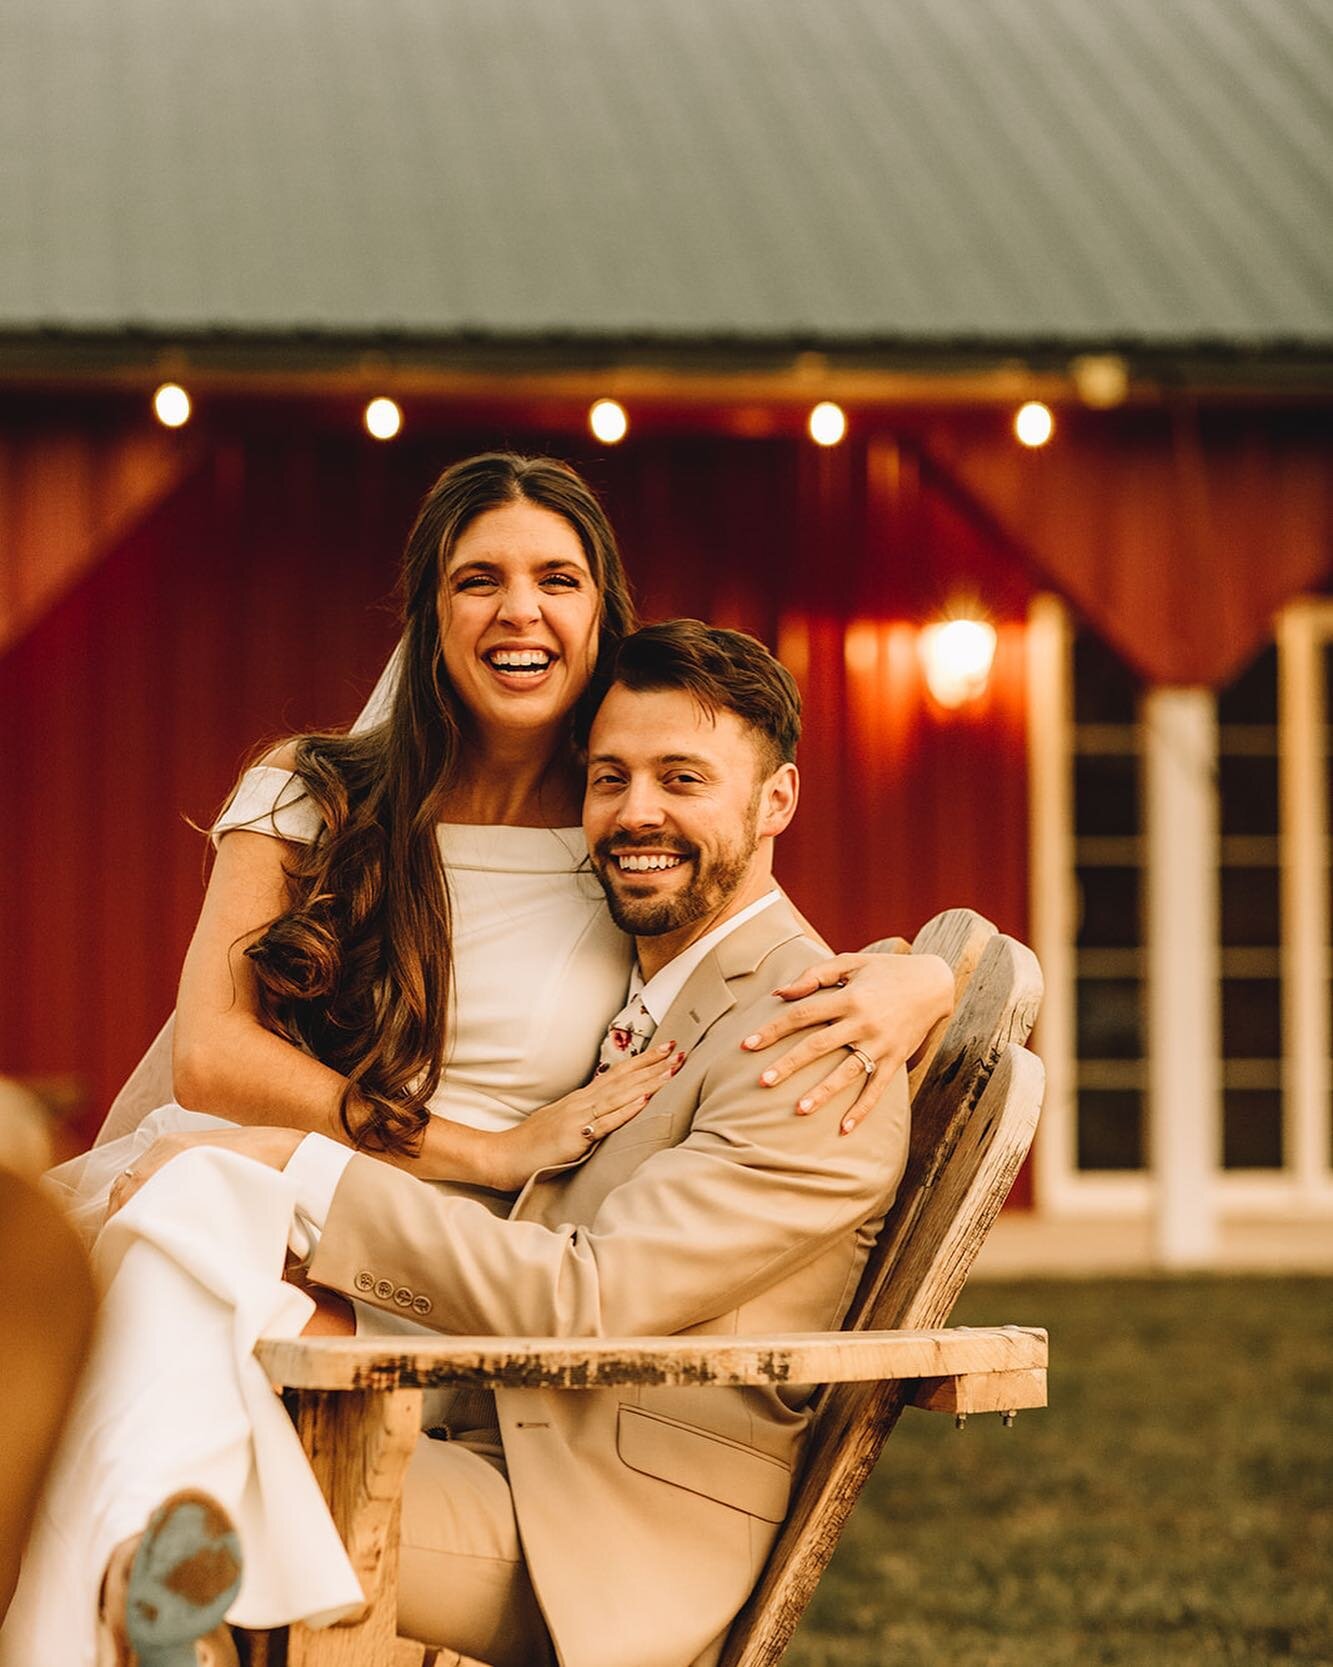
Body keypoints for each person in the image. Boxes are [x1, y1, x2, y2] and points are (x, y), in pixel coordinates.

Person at [4, 454, 950, 1664]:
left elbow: (596, 1279)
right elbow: (214, 1052)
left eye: (557, 577)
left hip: (561, 1463)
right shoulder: (560, 856)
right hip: (412, 1323)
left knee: (127, 1382)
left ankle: (127, 1590)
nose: (519, 609)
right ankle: (136, 1585)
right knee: (172, 1253)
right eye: (478, 579)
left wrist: (940, 972)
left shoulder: (756, 983)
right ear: (427, 612)